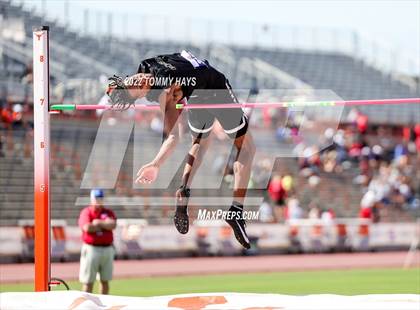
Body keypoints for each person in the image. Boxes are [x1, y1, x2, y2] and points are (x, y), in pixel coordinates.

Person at [107, 50, 255, 249]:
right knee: (246, 148)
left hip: (197, 94)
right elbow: (174, 135)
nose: (139, 80)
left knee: (200, 144)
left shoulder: (145, 64)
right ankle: (236, 210)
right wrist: (155, 164)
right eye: (139, 86)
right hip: (216, 89)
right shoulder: (164, 94)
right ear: (141, 94)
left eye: (133, 80)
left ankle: (184, 188)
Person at [78, 189, 117, 294]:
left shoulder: (108, 212)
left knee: (105, 281)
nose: (98, 200)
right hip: (92, 249)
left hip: (107, 249)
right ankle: (86, 305)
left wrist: (98, 223)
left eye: (100, 198)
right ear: (91, 199)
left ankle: (103, 306)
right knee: (88, 281)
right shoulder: (86, 212)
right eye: (96, 198)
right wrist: (104, 226)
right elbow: (87, 227)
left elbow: (112, 225)